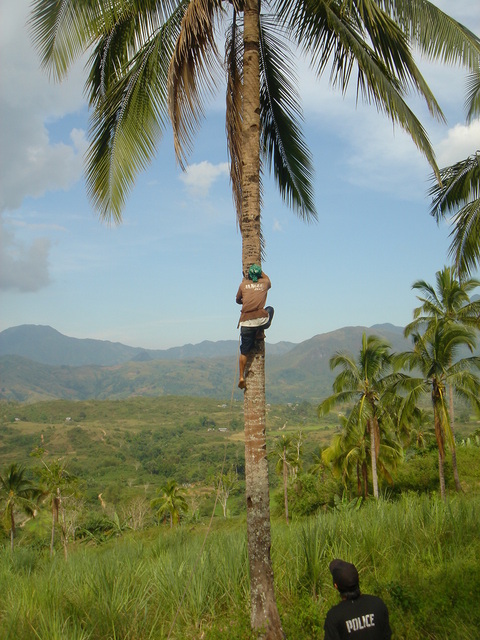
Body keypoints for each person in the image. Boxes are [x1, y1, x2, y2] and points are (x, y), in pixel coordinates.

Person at [324, 559, 392, 640]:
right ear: (358, 579)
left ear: (336, 586)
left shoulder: (334, 617)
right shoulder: (377, 604)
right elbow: (387, 635)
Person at [236, 264, 274, 389]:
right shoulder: (264, 283)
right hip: (260, 320)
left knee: (244, 352)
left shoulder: (243, 285)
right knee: (270, 309)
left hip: (246, 322)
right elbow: (268, 279)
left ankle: (241, 377)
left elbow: (237, 300)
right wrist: (259, 271)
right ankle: (259, 332)